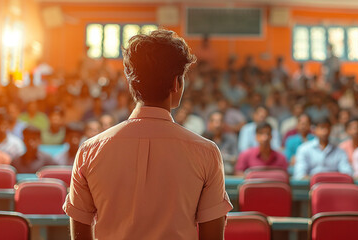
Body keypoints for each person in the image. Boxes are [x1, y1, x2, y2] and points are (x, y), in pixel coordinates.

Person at [64, 29, 232, 240]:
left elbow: (80, 235)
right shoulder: (206, 152)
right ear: (175, 83)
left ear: (132, 82)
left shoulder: (90, 150)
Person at [202, 111, 239, 175]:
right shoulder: (202, 139)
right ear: (209, 124)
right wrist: (226, 158)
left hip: (227, 175)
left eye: (220, 122)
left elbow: (235, 158)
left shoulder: (231, 138)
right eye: (215, 122)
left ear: (224, 124)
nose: (217, 125)